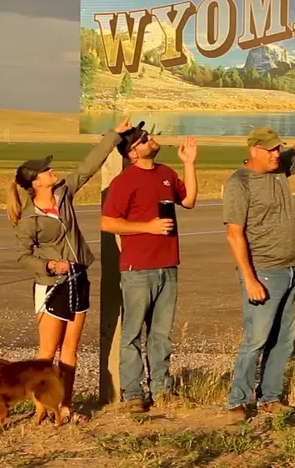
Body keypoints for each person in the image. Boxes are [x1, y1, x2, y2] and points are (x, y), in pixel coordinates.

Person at [221, 83, 295, 421]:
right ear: (255, 150)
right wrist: (249, 279)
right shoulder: (239, 183)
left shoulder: (279, 169)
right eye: (272, 150)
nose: (278, 153)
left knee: (283, 340)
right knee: (256, 339)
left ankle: (270, 397)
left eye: (279, 149)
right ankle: (238, 401)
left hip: (290, 267)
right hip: (264, 271)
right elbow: (234, 235)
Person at [7, 116, 133, 424]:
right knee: (47, 353)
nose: (52, 171)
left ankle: (64, 406)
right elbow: (23, 256)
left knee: (71, 351)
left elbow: (87, 167)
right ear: (35, 182)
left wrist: (113, 136)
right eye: (46, 170)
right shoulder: (29, 219)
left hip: (79, 279)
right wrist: (49, 264)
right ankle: (40, 410)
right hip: (52, 286)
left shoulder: (64, 193)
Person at [100, 124, 199, 413]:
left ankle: (162, 389)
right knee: (132, 334)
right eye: (144, 140)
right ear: (132, 152)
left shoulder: (167, 173)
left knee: (161, 335)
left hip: (168, 265)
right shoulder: (124, 181)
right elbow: (108, 223)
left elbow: (189, 200)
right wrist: (148, 227)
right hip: (137, 269)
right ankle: (133, 393)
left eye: (149, 136)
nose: (151, 140)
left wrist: (189, 164)